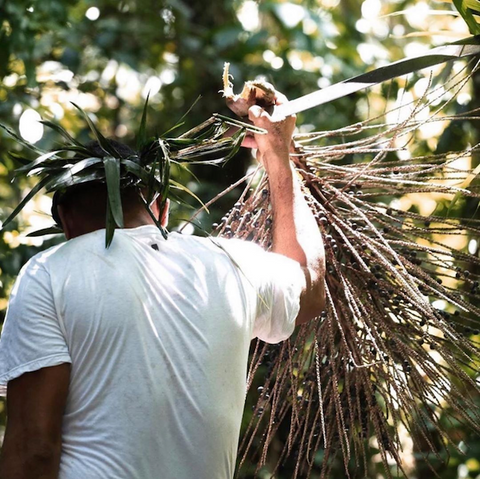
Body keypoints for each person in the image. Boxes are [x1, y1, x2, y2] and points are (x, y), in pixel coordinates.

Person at [0, 94, 325, 479]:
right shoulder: (232, 264)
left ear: (67, 223)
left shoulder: (49, 274)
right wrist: (279, 155)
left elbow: (32, 449)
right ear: (162, 209)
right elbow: (309, 283)